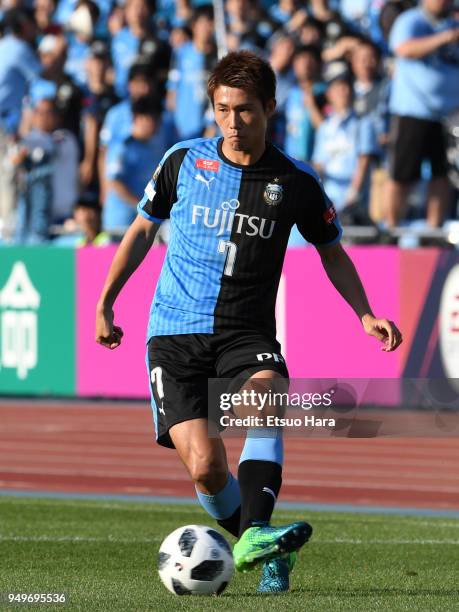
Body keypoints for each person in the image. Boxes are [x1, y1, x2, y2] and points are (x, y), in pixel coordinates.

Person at [95, 51, 402, 594]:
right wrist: (106, 301)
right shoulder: (182, 161)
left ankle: (258, 532)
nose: (233, 123)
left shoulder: (296, 181)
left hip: (246, 332)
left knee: (267, 396)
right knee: (207, 470)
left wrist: (365, 314)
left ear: (270, 108)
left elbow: (332, 252)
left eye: (246, 111)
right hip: (174, 333)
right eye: (222, 109)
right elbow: (142, 232)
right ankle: (264, 547)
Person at [385, 0, 459, 227]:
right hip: (413, 111)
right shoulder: (411, 20)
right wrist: (445, 38)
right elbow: (403, 49)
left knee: (442, 175)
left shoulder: (452, 23)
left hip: (447, 116)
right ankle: (391, 229)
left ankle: (433, 232)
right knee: (402, 175)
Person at [102, 95, 169, 232]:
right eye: (153, 119)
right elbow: (115, 182)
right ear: (137, 118)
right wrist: (142, 206)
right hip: (121, 221)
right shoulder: (122, 147)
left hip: (145, 220)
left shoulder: (154, 148)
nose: (157, 125)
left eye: (158, 120)